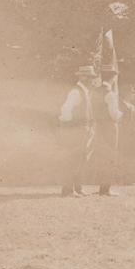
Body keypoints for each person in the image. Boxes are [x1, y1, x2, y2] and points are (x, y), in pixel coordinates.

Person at [58, 65, 97, 197]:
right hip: (77, 130)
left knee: (82, 159)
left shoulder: (85, 92)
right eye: (90, 78)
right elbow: (65, 110)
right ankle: (68, 190)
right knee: (73, 159)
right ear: (83, 77)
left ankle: (78, 188)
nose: (92, 80)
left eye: (93, 78)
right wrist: (72, 127)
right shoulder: (76, 92)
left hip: (85, 130)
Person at [91, 64, 124, 196]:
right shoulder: (110, 94)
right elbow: (114, 114)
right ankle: (105, 189)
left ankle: (102, 187)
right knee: (110, 156)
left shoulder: (96, 91)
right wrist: (122, 115)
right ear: (112, 78)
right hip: (109, 127)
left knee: (101, 155)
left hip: (99, 126)